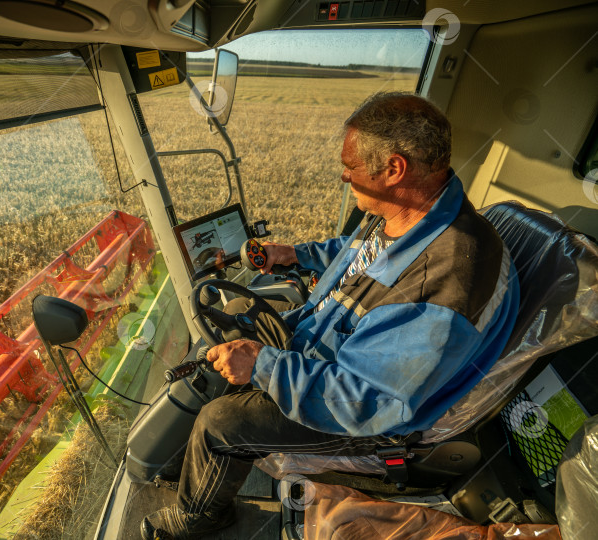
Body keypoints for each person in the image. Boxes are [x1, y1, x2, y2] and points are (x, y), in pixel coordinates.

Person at [141, 92, 520, 540]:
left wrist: (263, 364)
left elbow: (371, 403)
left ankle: (199, 517)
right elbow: (359, 258)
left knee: (220, 425)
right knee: (240, 311)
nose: (343, 176)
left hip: (366, 418)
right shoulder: (407, 211)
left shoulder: (446, 277)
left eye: (350, 166)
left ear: (394, 169)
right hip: (328, 349)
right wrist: (296, 255)